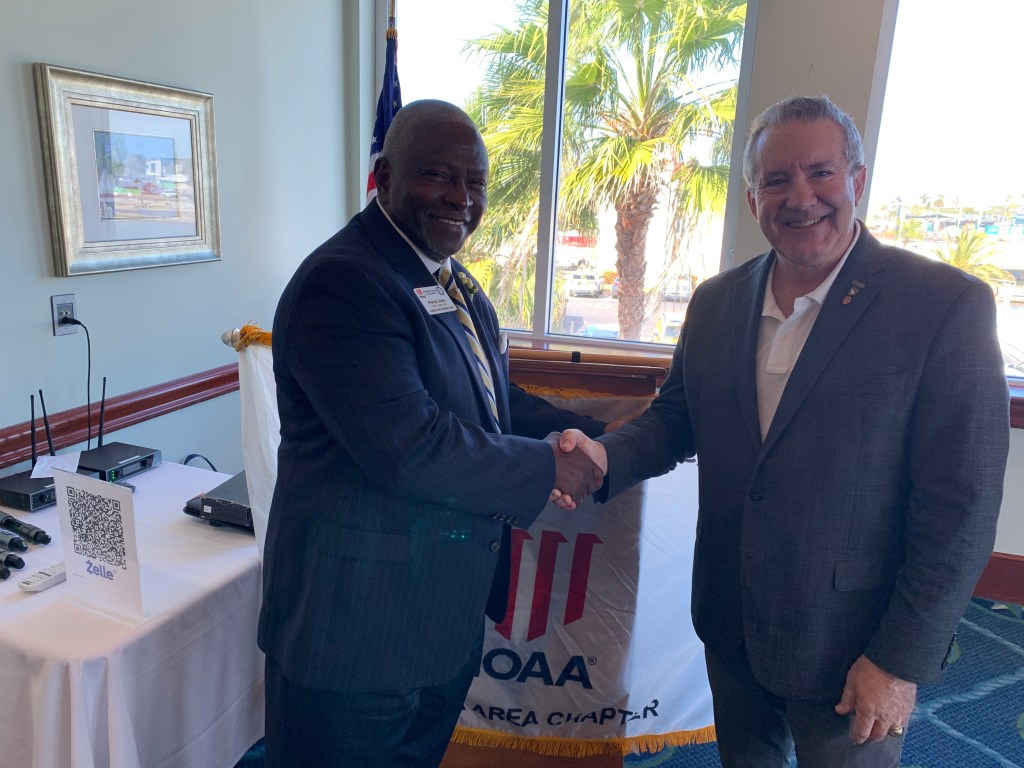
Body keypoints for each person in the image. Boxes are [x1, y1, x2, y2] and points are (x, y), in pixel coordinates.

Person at [557, 95, 1008, 766]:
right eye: (776, 180)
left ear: (857, 180)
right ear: (752, 199)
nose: (801, 198)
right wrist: (603, 455)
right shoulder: (716, 302)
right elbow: (678, 418)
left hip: (854, 642)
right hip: (732, 618)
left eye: (821, 173)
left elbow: (961, 509)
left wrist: (897, 661)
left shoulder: (944, 305)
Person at [258, 99, 606, 767]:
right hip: (352, 638)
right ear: (385, 177)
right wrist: (550, 467)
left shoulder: (454, 282)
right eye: (439, 175)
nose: (461, 199)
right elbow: (409, 445)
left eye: (475, 182)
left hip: (437, 622)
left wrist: (600, 434)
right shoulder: (344, 281)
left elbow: (491, 403)